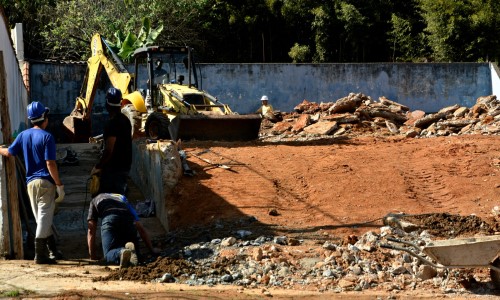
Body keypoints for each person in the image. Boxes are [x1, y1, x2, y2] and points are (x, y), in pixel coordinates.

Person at [0, 101, 65, 264]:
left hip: (30, 184)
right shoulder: (47, 137)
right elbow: (50, 163)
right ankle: (40, 255)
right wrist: (59, 185)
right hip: (45, 183)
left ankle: (52, 252)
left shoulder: (23, 135)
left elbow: (9, 153)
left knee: (42, 218)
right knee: (44, 217)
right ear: (44, 118)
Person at [87, 193, 160, 268]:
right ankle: (134, 253)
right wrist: (152, 249)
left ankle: (120, 252)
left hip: (110, 218)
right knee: (135, 254)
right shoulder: (121, 197)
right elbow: (139, 227)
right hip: (128, 219)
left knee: (109, 254)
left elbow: (91, 230)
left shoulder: (94, 200)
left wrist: (92, 256)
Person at [91, 87, 132, 196]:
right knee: (121, 198)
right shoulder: (126, 120)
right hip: (124, 166)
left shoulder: (112, 124)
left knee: (108, 199)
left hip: (114, 169)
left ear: (107, 104)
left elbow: (109, 150)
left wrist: (98, 166)